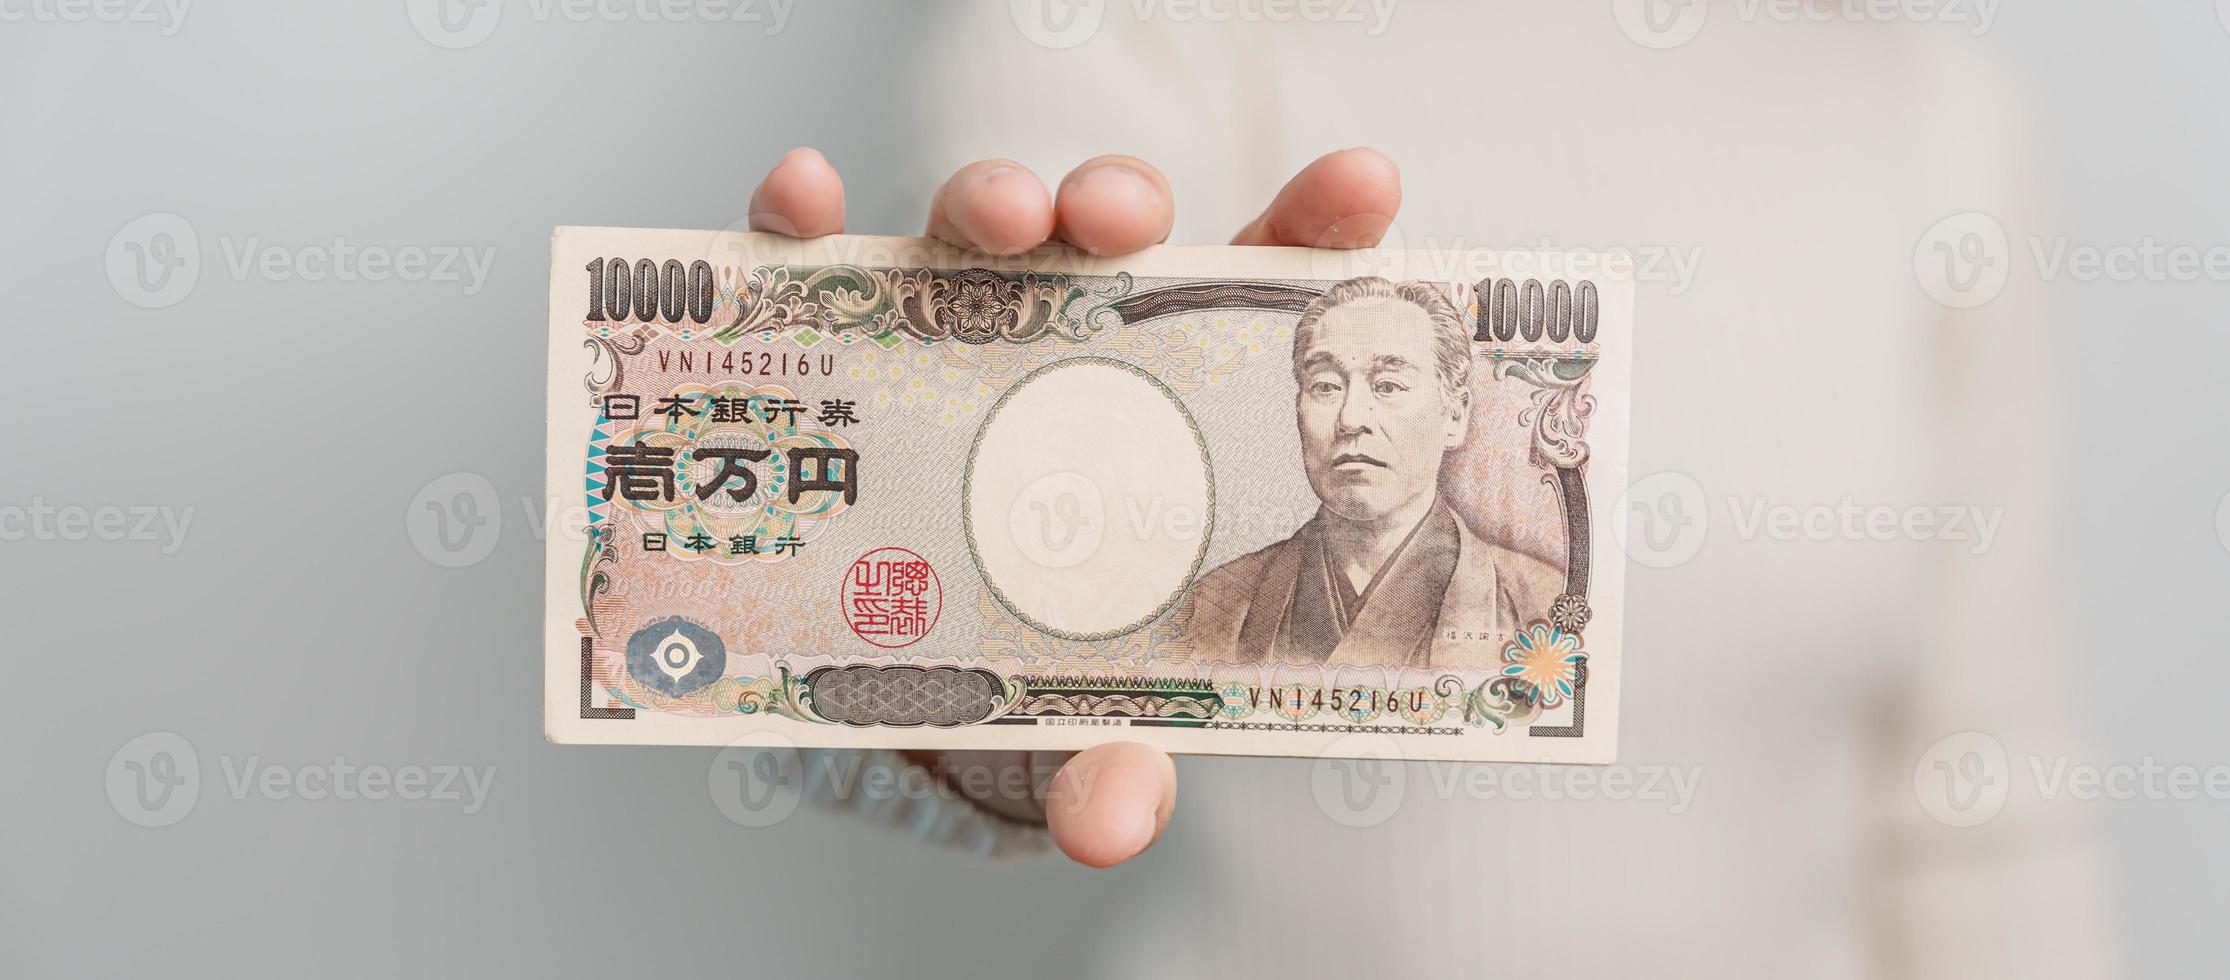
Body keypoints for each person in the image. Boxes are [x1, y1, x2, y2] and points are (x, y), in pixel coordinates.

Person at [742, 7, 2114, 976]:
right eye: (1317, 386)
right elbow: (961, 633)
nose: (1350, 424)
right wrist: (932, 550)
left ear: (1460, 408)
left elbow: (1982, 809)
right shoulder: (1142, 34)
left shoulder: (1939, 118)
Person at [1174, 275, 1565, 667]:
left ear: (1455, 415)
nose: (1352, 418)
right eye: (1326, 386)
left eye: (1389, 385)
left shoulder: (1544, 605)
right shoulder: (1212, 608)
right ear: (1298, 409)